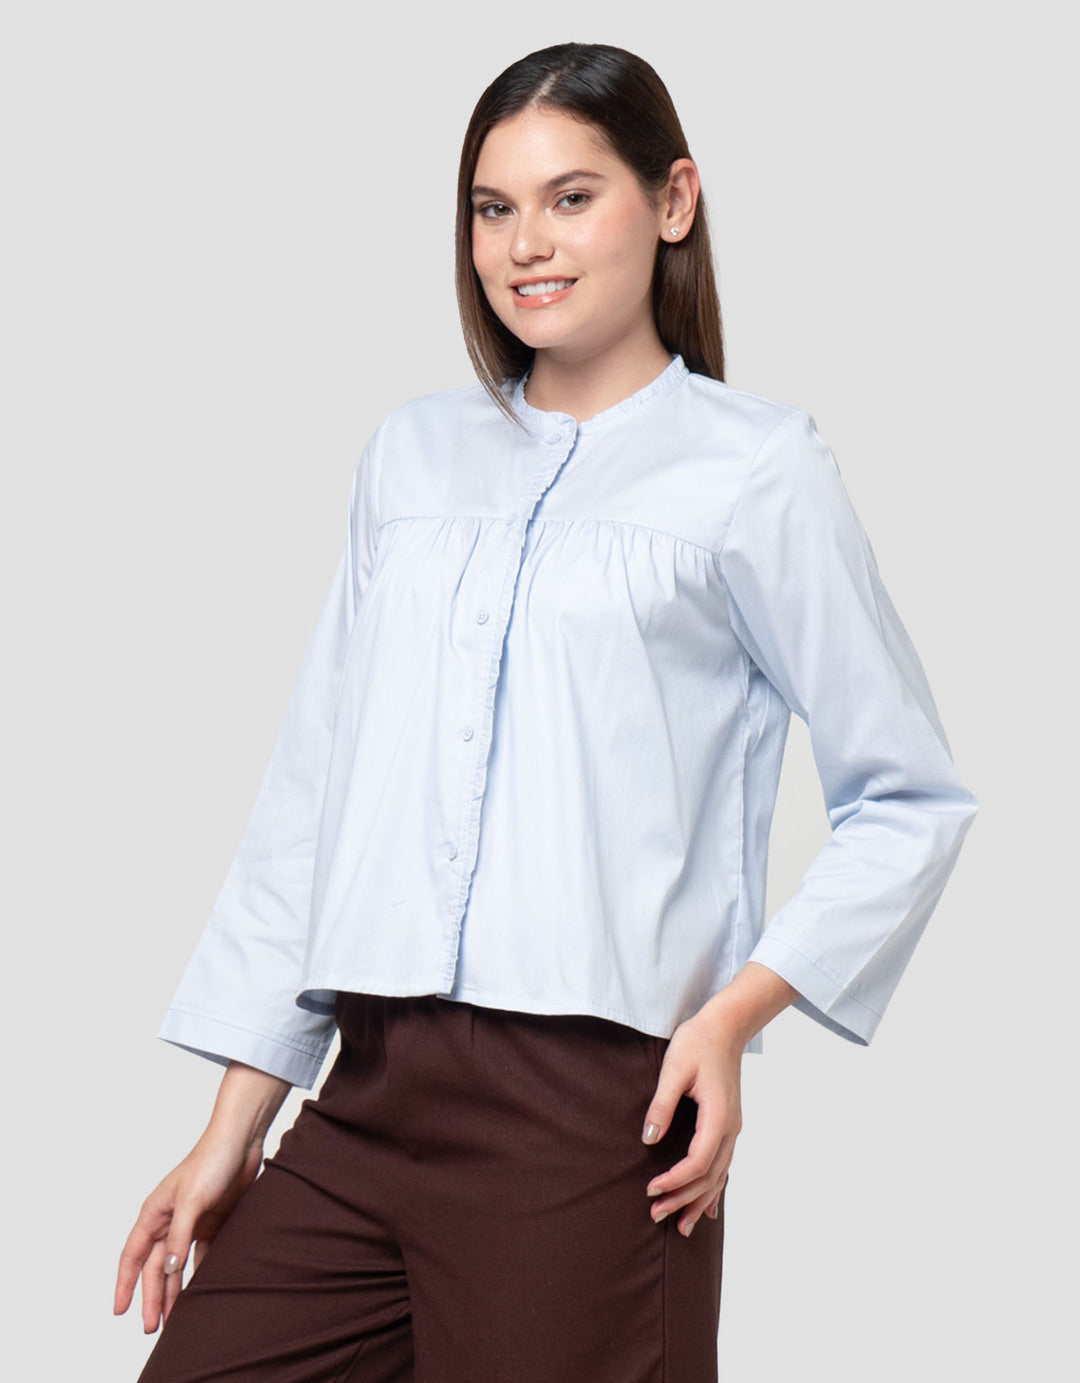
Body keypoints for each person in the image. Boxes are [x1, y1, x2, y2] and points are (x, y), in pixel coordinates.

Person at [114, 41, 978, 1383]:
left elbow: (908, 796)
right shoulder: (410, 459)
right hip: (369, 1094)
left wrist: (730, 1019)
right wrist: (237, 1122)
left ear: (673, 200)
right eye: (493, 207)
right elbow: (319, 798)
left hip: (588, 1119)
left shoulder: (756, 470)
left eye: (572, 198)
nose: (525, 245)